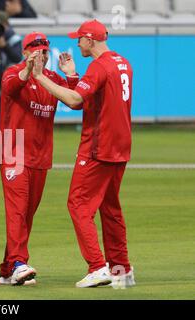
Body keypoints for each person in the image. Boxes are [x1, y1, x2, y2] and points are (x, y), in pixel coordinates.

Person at [31, 20, 135, 288]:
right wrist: (74, 77)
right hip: (120, 147)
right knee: (110, 208)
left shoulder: (100, 66)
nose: (77, 43)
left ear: (90, 40)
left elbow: (76, 101)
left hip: (98, 147)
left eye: (80, 39)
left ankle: (97, 266)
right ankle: (121, 268)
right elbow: (91, 101)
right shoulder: (122, 63)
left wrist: (40, 76)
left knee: (78, 204)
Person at [0, 32, 79, 286]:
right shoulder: (13, 72)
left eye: (44, 50)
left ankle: (8, 268)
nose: (41, 54)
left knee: (27, 215)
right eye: (36, 49)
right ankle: (20, 262)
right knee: (17, 211)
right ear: (25, 52)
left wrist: (71, 75)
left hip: (41, 156)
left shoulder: (52, 78)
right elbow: (11, 87)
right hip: (14, 154)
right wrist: (29, 72)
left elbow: (76, 101)